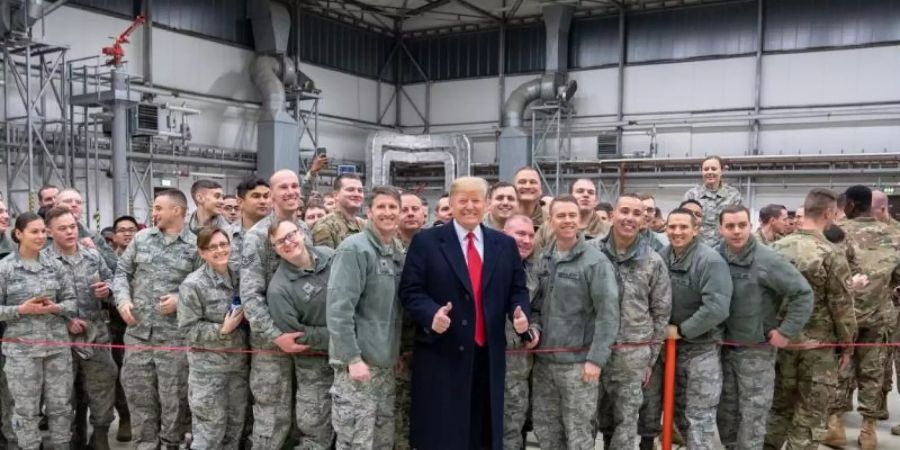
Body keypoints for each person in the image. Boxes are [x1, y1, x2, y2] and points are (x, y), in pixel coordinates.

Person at [400, 177, 532, 450]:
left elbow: (517, 289)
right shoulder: (426, 242)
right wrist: (430, 314)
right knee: (444, 433)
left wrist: (520, 313)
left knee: (484, 431)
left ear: (486, 204)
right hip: (442, 353)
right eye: (463, 200)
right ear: (451, 203)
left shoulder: (503, 245)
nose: (470, 206)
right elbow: (410, 291)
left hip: (488, 354)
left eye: (476, 201)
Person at [764, 188, 858, 450]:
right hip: (818, 350)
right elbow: (841, 306)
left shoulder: (774, 249)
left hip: (779, 343)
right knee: (809, 417)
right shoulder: (830, 253)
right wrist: (848, 347)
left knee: (777, 410)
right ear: (829, 213)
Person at [717, 205, 814, 450]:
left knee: (753, 416)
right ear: (721, 229)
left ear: (751, 226)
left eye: (742, 225)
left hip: (756, 352)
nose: (736, 231)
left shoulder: (768, 259)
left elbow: (802, 294)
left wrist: (786, 331)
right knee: (726, 414)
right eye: (730, 226)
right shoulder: (713, 256)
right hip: (720, 349)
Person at [113, 189, 201, 450]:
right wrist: (122, 300)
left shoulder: (196, 246)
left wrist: (179, 299)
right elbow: (121, 273)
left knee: (174, 400)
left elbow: (205, 288)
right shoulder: (141, 239)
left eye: (159, 208)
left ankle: (171, 444)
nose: (154, 213)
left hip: (173, 338)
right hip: (138, 335)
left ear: (177, 210)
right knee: (139, 398)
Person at [530, 195, 618, 449]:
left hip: (579, 367)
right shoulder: (544, 259)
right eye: (561, 216)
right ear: (550, 220)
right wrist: (533, 329)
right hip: (544, 364)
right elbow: (535, 305)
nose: (567, 220)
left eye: (572, 215)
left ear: (580, 220)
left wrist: (596, 359)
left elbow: (608, 314)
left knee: (579, 434)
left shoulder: (595, 262)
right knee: (547, 433)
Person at [327, 186, 406, 449]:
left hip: (385, 365)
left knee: (383, 442)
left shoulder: (396, 251)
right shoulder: (354, 249)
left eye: (393, 207)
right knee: (355, 443)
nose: (387, 212)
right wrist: (352, 358)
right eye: (381, 207)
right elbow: (339, 310)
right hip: (358, 368)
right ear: (369, 212)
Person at [239, 169, 312, 449]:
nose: (292, 191)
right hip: (271, 346)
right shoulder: (257, 236)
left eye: (295, 185)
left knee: (302, 419)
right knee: (272, 420)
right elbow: (250, 295)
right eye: (284, 187)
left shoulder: (303, 230)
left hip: (304, 339)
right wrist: (275, 336)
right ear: (272, 196)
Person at [592, 194, 671, 450]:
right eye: (624, 211)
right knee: (591, 418)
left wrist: (650, 359)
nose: (629, 218)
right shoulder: (590, 252)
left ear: (644, 219)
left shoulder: (653, 260)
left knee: (627, 422)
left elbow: (660, 312)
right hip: (593, 352)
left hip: (632, 355)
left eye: (636, 213)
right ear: (613, 215)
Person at [829, 185, 900, 450]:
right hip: (880, 315)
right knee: (873, 373)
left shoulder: (837, 232)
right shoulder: (894, 235)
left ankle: (835, 425)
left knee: (840, 368)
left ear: (850, 205)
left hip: (844, 315)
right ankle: (868, 430)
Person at [42, 207, 119, 450]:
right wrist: (65, 321)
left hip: (95, 334)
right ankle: (70, 437)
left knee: (103, 385)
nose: (69, 232)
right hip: (58, 338)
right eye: (62, 228)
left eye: (73, 226)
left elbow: (113, 281)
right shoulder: (42, 261)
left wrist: (107, 290)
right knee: (63, 394)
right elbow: (39, 300)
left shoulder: (92, 256)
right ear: (49, 232)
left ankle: (100, 434)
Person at [0, 212, 77, 450]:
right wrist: (21, 309)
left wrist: (57, 307)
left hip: (57, 349)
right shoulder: (5, 268)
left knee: (61, 407)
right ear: (18, 234)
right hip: (21, 352)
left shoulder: (55, 266)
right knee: (25, 410)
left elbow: (72, 302)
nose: (41, 236)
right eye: (34, 231)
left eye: (44, 231)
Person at [660, 207, 732, 450]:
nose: (677, 232)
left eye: (683, 227)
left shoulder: (709, 261)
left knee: (700, 417)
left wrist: (682, 330)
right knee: (678, 413)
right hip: (670, 350)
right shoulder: (662, 256)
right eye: (672, 227)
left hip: (702, 349)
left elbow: (717, 307)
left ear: (695, 230)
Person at [266, 219, 336, 449]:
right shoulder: (279, 289)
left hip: (351, 359)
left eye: (291, 235)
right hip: (315, 368)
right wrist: (339, 334)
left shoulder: (331, 256)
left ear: (301, 234)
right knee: (316, 433)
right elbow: (295, 335)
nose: (288, 243)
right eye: (280, 242)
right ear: (275, 250)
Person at [177, 226, 248, 450]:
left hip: (237, 368)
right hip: (208, 372)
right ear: (202, 252)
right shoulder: (193, 284)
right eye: (213, 247)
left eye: (224, 244)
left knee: (234, 428)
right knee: (209, 433)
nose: (220, 250)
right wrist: (222, 330)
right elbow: (187, 330)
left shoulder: (240, 276)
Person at [500, 214, 537, 450]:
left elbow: (542, 308)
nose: (526, 240)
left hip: (520, 368)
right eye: (520, 234)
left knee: (513, 430)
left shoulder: (536, 270)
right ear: (504, 236)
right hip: (489, 364)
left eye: (531, 235)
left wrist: (534, 328)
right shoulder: (486, 265)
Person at [683, 156, 743, 247]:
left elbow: (739, 223)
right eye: (706, 169)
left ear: (722, 171)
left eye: (714, 169)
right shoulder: (691, 195)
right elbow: (684, 223)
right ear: (702, 172)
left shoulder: (734, 196)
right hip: (697, 249)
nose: (710, 172)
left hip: (725, 249)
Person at [534, 179, 610, 251]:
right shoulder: (548, 227)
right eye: (580, 191)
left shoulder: (608, 230)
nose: (586, 195)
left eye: (591, 192)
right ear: (570, 196)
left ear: (596, 200)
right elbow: (536, 257)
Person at [54, 188, 118, 271]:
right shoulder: (42, 234)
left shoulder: (94, 237)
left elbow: (115, 267)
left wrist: (95, 250)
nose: (74, 205)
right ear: (56, 206)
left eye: (79, 202)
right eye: (68, 201)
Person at [312, 174, 365, 249]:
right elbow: (327, 259)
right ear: (336, 195)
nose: (357, 194)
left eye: (360, 191)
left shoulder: (365, 225)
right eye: (350, 190)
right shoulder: (325, 226)